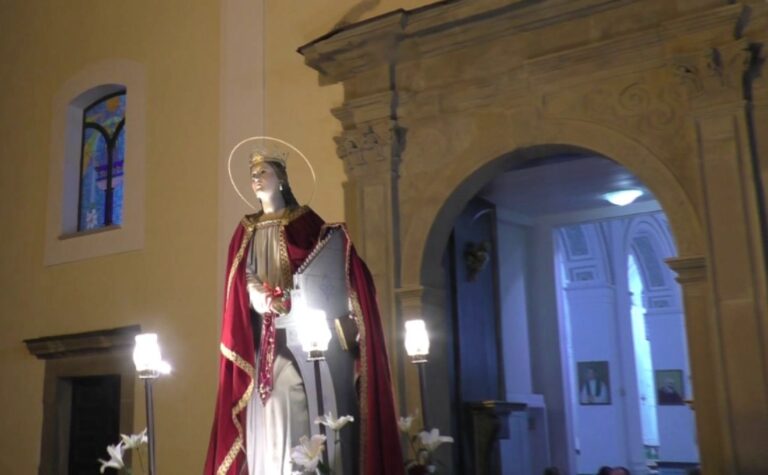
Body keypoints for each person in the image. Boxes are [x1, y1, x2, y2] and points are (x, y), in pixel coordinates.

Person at [205, 151, 404, 474]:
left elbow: (329, 263)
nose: (256, 178)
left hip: (300, 339)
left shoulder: (306, 223)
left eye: (264, 171)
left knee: (292, 395)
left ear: (281, 178)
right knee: (260, 407)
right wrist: (266, 299)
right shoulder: (247, 230)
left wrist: (295, 297)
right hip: (262, 340)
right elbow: (245, 277)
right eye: (253, 173)